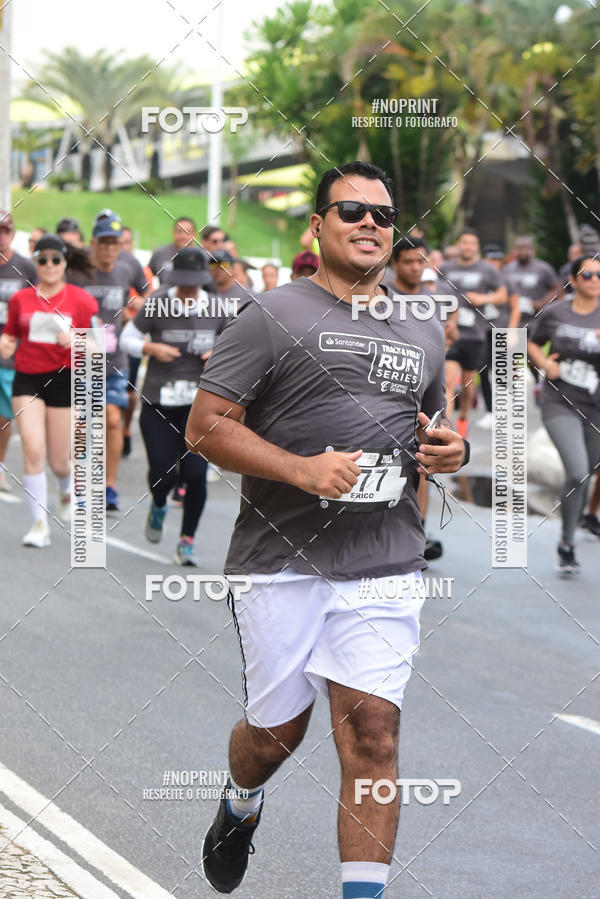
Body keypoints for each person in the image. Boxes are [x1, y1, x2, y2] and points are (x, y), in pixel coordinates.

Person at [186, 161, 468, 897]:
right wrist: (303, 469)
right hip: (280, 558)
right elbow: (206, 427)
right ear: (318, 226)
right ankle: (241, 800)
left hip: (384, 561)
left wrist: (453, 449)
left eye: (382, 213)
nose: (370, 223)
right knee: (277, 733)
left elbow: (435, 426)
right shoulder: (272, 313)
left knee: (374, 735)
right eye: (350, 210)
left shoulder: (421, 325)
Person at [120, 248, 228, 564]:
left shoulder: (218, 307)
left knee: (195, 474)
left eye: (194, 283)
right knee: (163, 475)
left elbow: (238, 344)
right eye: (183, 283)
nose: (188, 289)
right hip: (158, 401)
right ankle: (158, 503)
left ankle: (186, 541)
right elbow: (127, 337)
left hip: (200, 406)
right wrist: (150, 347)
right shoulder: (157, 303)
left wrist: (218, 353)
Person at [0, 235, 97, 546]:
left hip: (63, 379)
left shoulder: (81, 300)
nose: (49, 266)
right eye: (43, 260)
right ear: (36, 262)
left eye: (56, 259)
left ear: (65, 262)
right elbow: (9, 336)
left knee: (59, 462)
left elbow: (104, 344)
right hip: (26, 378)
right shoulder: (20, 299)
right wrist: (4, 344)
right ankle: (39, 524)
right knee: (33, 448)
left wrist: (77, 340)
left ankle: (66, 487)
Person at [66, 214, 148, 511]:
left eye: (114, 243)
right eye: (104, 243)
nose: (109, 249)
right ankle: (81, 484)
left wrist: (136, 313)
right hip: (80, 360)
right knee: (83, 424)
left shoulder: (128, 265)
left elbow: (146, 295)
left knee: (113, 419)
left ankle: (108, 487)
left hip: (115, 359)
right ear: (93, 243)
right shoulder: (76, 271)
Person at [386, 235, 459, 563]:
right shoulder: (381, 298)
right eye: (409, 261)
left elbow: (449, 335)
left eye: (421, 261)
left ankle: (417, 532)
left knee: (424, 462)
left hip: (427, 389)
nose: (416, 267)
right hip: (390, 389)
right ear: (395, 264)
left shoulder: (436, 300)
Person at [527, 254, 600, 574]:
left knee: (589, 472)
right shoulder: (556, 313)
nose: (595, 280)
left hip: (596, 404)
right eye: (588, 275)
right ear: (574, 280)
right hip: (561, 401)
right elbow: (531, 344)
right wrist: (544, 364)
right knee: (577, 469)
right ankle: (568, 543)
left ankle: (570, 534)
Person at [439, 228, 507, 436]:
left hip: (475, 334)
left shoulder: (487, 269)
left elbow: (503, 295)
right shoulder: (445, 267)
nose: (467, 247)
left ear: (477, 247)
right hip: (449, 332)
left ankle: (462, 418)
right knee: (449, 382)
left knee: (468, 387)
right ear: (458, 245)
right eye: (464, 242)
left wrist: (483, 299)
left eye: (472, 243)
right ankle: (446, 428)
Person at [0, 211, 38, 492]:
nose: (1, 236)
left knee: (2, 417)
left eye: (5, 230)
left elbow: (41, 306)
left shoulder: (25, 266)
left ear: (13, 234)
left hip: (11, 354)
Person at [120, 224, 154, 456]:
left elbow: (149, 302)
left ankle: (124, 429)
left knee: (130, 392)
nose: (123, 247)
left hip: (132, 336)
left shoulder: (141, 271)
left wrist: (130, 306)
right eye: (119, 242)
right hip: (106, 340)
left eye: (127, 242)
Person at [149, 218, 197, 285]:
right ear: (173, 233)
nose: (183, 236)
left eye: (187, 232)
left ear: (194, 234)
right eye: (179, 231)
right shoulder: (160, 253)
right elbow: (146, 276)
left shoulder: (202, 257)